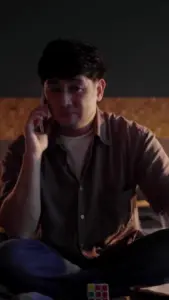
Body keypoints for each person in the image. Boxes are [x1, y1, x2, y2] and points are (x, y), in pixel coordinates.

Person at [0, 38, 169, 300]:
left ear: (99, 89)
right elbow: (19, 231)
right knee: (9, 254)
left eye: (75, 88)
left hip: (120, 258)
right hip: (56, 261)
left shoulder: (134, 138)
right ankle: (106, 291)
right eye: (54, 89)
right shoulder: (23, 148)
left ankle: (76, 291)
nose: (64, 100)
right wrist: (34, 155)